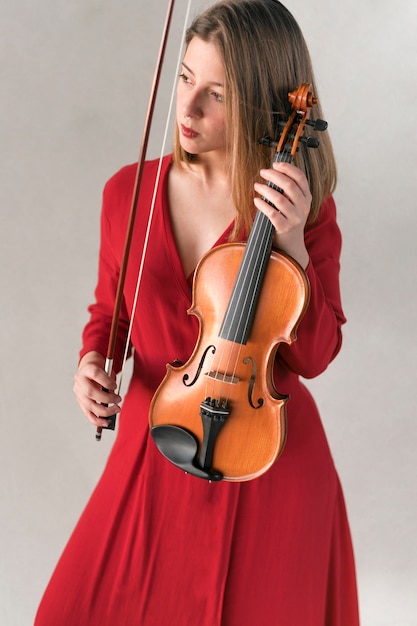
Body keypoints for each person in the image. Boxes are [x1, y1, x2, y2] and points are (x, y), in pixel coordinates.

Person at [35, 0, 360, 624]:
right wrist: (91, 363)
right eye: (185, 78)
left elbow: (315, 356)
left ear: (262, 102)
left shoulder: (301, 206)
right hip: (155, 443)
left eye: (215, 94)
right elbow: (112, 313)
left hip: (269, 460)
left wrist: (290, 243)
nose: (187, 108)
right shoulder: (128, 192)